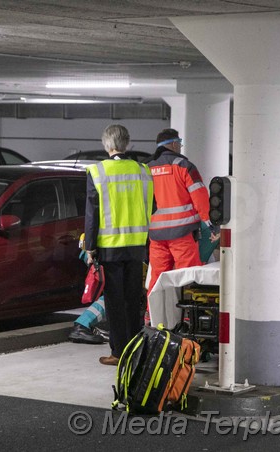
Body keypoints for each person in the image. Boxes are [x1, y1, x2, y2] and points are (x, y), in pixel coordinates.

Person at [84, 124, 153, 366]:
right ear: (127, 144)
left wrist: (90, 248)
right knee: (134, 300)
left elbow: (92, 216)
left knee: (114, 302)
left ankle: (119, 351)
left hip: (110, 249)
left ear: (108, 145)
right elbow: (152, 208)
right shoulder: (143, 171)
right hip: (137, 248)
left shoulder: (98, 172)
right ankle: (136, 349)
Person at [146, 128, 219, 300]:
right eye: (179, 144)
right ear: (173, 144)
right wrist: (211, 224)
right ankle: (186, 317)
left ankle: (153, 316)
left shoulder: (147, 168)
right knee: (186, 275)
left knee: (157, 277)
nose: (180, 147)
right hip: (182, 234)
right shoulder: (185, 167)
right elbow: (200, 198)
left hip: (156, 235)